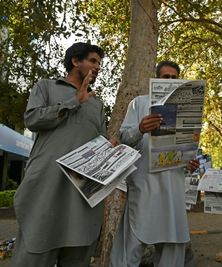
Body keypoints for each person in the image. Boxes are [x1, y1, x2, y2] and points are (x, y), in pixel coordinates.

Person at [12, 42, 107, 267]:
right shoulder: (46, 87)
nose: (98, 67)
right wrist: (75, 101)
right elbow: (32, 119)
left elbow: (101, 144)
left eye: (100, 63)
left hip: (82, 193)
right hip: (45, 186)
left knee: (78, 252)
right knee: (34, 251)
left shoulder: (98, 104)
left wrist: (111, 147)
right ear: (75, 61)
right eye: (93, 61)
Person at [110, 60, 199, 267]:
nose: (169, 80)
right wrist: (140, 128)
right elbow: (124, 137)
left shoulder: (188, 109)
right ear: (156, 79)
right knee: (133, 241)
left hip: (174, 187)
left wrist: (189, 163)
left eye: (174, 78)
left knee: (172, 242)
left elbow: (188, 148)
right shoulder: (140, 103)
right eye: (165, 77)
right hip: (144, 184)